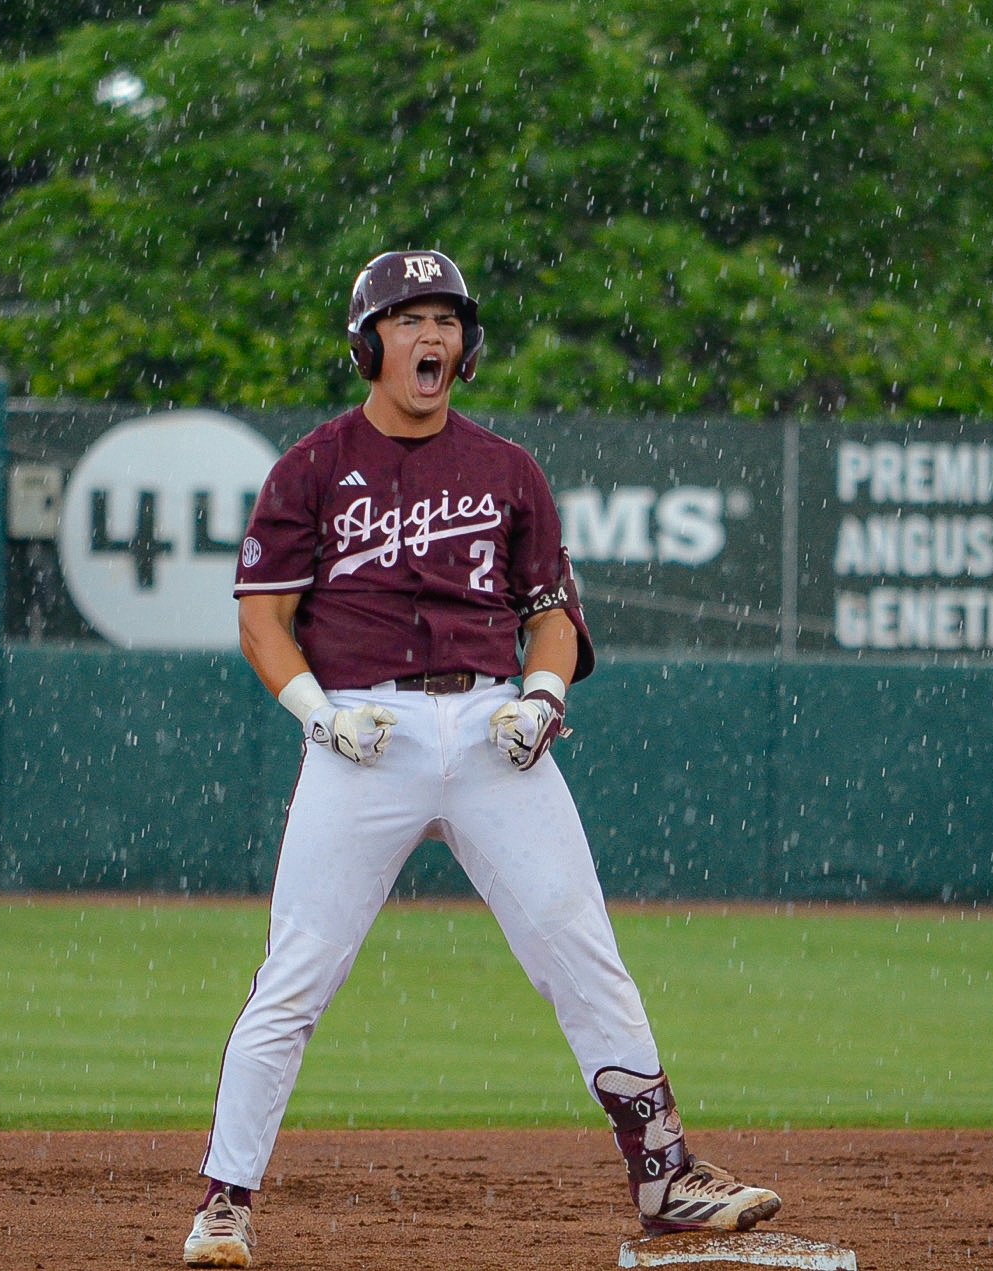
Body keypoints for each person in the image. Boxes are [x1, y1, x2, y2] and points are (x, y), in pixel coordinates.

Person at [183, 250, 781, 1268]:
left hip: (493, 730)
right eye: (408, 320)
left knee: (579, 945)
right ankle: (224, 1202)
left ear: (468, 345)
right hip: (362, 736)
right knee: (298, 973)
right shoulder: (312, 467)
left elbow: (551, 619)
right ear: (368, 344)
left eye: (447, 321)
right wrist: (317, 713)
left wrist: (542, 696)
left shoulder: (508, 470)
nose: (430, 338)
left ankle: (667, 1173)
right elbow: (261, 620)